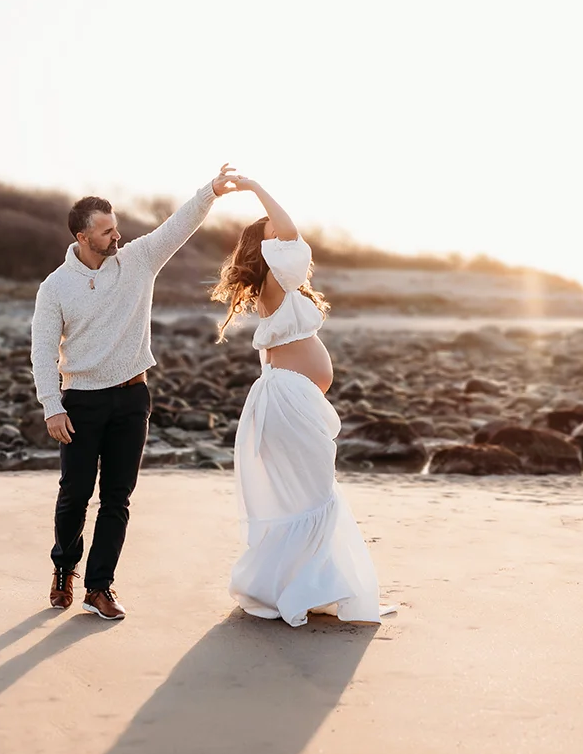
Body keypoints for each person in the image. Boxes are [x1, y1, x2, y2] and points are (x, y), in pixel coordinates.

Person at [31, 165, 238, 620]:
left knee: (117, 498)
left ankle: (99, 587)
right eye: (106, 232)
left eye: (116, 227)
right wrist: (52, 407)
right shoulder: (55, 287)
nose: (116, 236)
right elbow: (43, 351)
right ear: (83, 238)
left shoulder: (139, 259)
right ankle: (64, 570)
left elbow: (177, 226)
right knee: (74, 495)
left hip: (131, 397)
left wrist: (210, 192)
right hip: (80, 401)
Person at [210, 177, 392, 626]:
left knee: (311, 496)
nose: (282, 226)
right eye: (272, 225)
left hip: (292, 398)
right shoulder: (276, 275)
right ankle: (300, 587)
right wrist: (254, 186)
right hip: (288, 398)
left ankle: (310, 585)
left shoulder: (283, 281)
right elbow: (289, 229)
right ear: (268, 242)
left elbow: (287, 230)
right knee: (314, 496)